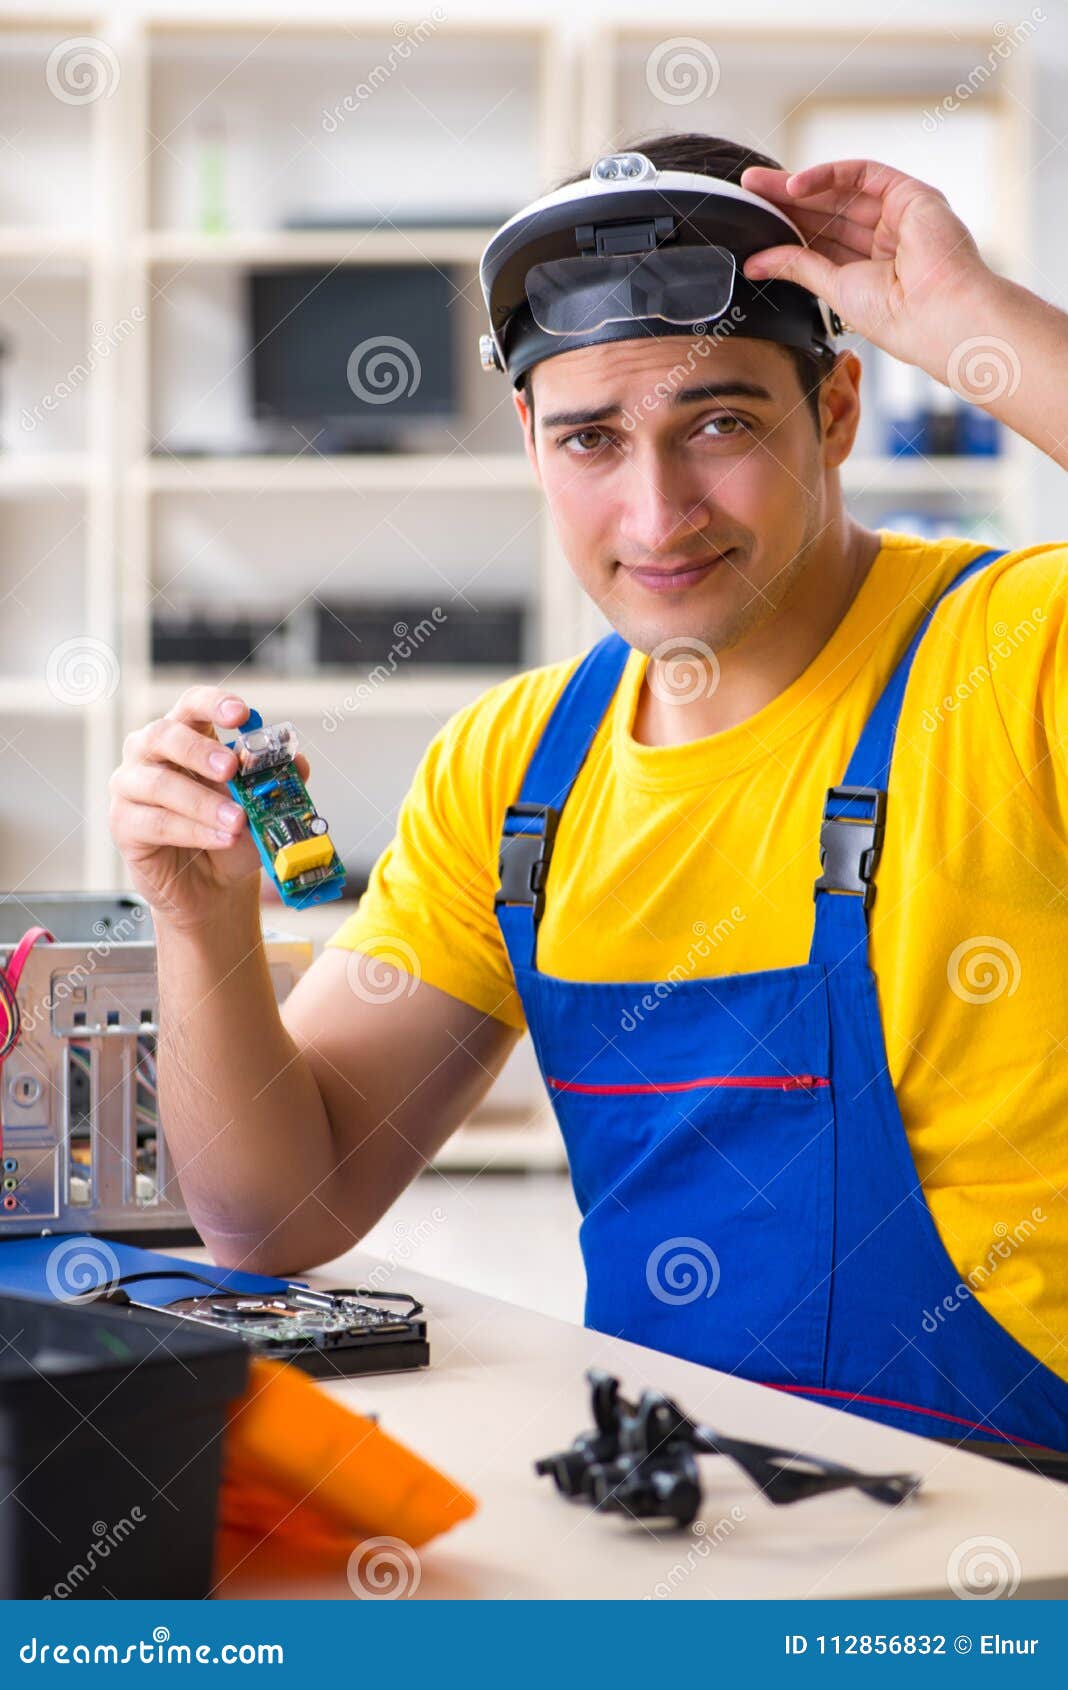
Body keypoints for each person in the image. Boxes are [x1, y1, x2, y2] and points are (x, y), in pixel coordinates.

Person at [110, 132, 1068, 1450]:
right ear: (531, 439)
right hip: (671, 1504)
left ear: (838, 409)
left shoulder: (1016, 656)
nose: (658, 513)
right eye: (592, 440)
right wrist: (200, 921)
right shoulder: (517, 773)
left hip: (1016, 1514)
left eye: (720, 424)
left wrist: (975, 326)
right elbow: (273, 1215)